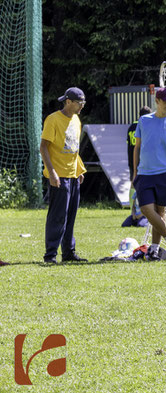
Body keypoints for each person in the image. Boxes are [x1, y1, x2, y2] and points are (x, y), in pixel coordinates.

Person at [132, 87, 166, 260]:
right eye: (165, 100)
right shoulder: (144, 121)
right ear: (157, 101)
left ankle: (154, 249)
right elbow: (137, 148)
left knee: (160, 213)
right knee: (147, 209)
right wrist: (135, 172)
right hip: (145, 174)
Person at [40, 87, 89, 264]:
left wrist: (79, 168)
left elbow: (73, 148)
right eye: (79, 103)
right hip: (58, 176)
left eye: (83, 103)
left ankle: (68, 252)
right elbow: (43, 146)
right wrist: (51, 172)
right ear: (68, 102)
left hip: (73, 175)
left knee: (70, 216)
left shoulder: (76, 119)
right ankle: (50, 255)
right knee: (57, 216)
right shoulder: (53, 119)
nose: (82, 107)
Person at [123, 106, 153, 228]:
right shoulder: (146, 126)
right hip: (144, 161)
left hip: (132, 160)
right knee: (145, 187)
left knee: (133, 185)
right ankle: (142, 213)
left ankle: (133, 212)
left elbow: (129, 144)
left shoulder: (131, 127)